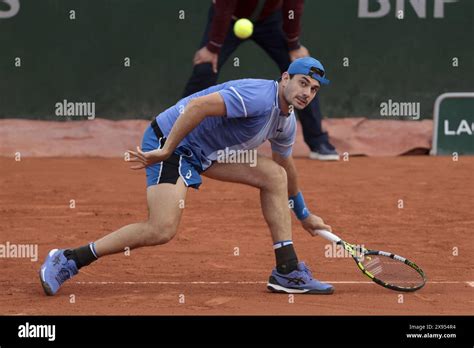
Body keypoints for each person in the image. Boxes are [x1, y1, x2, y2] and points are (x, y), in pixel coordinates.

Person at [39, 57, 335, 296]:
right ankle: (68, 259)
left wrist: (304, 213)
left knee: (275, 175)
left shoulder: (286, 121)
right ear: (285, 78)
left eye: (314, 89)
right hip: (170, 142)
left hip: (205, 151)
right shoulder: (258, 97)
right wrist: (167, 149)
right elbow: (199, 106)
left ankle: (287, 270)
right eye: (302, 83)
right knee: (161, 228)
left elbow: (287, 165)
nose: (306, 93)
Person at [183, 0, 339, 160]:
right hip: (229, 17)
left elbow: (293, 5)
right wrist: (213, 47)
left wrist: (294, 44)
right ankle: (177, 129)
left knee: (302, 70)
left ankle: (318, 141)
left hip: (270, 20)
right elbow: (224, 5)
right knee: (206, 67)